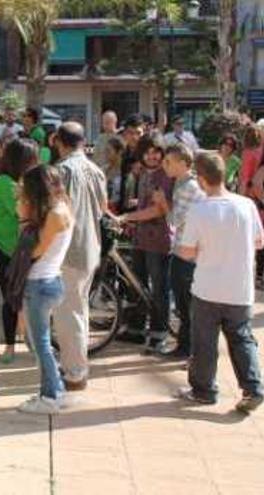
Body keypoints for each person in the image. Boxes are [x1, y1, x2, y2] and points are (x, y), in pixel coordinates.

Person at [174, 152, 264, 414]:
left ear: (201, 179)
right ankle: (253, 388)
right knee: (242, 338)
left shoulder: (200, 210)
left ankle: (203, 390)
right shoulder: (246, 205)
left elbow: (187, 251)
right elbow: (259, 242)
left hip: (208, 287)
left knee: (205, 342)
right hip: (240, 287)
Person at [51, 122, 108, 390]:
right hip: (90, 248)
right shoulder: (95, 169)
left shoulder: (62, 171)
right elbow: (103, 208)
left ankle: (74, 373)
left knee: (68, 313)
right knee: (79, 309)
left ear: (59, 142)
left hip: (70, 251)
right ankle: (77, 365)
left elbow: (58, 213)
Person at [16, 165, 74, 414]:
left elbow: (36, 250)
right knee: (39, 342)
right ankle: (55, 389)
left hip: (41, 283)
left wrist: (24, 220)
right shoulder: (61, 208)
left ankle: (51, 397)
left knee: (40, 344)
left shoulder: (55, 215)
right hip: (48, 281)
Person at [117, 135, 174, 352]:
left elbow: (158, 210)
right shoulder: (143, 174)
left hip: (159, 240)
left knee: (159, 289)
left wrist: (127, 217)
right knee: (137, 285)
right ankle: (136, 329)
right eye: (147, 152)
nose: (152, 156)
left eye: (156, 151)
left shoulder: (165, 176)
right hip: (140, 238)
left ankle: (159, 333)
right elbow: (143, 205)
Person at [0, 139, 39, 363]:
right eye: (32, 160)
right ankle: (9, 346)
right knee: (11, 297)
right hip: (2, 248)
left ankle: (21, 335)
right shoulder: (4, 183)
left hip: (17, 248)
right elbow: (23, 212)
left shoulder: (18, 181)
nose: (35, 164)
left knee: (20, 295)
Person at [160, 144, 205, 360]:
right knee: (184, 305)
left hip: (187, 255)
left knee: (186, 306)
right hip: (182, 251)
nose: (164, 165)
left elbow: (175, 221)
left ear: (182, 163)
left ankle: (189, 350)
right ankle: (186, 347)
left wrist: (162, 204)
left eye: (168, 161)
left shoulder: (189, 187)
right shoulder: (182, 183)